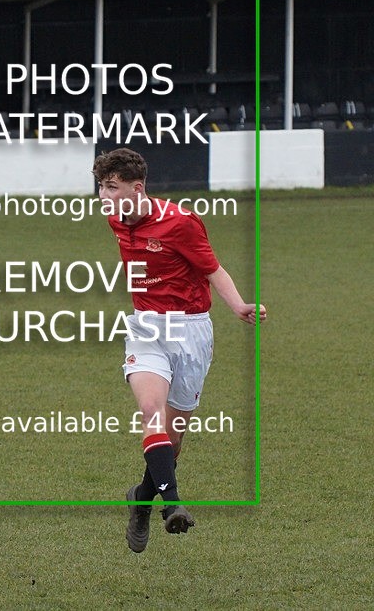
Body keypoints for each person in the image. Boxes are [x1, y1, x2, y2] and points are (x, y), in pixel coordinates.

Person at [92, 147, 265, 553]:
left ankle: (141, 499)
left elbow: (212, 269)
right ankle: (173, 506)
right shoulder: (116, 217)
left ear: (138, 187)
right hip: (147, 328)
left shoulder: (182, 223)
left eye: (112, 187)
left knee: (172, 439)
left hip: (191, 331)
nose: (103, 194)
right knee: (151, 412)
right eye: (101, 186)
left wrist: (238, 304)